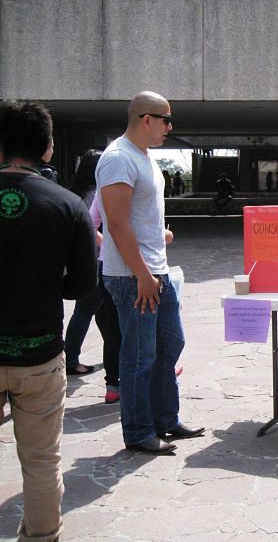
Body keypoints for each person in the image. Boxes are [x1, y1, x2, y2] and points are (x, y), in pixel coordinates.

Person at [0, 100, 97, 542]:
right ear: (48, 149)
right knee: (41, 460)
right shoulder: (68, 204)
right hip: (38, 352)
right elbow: (80, 285)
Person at [96, 91, 204, 455]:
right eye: (165, 120)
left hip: (156, 272)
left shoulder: (144, 159)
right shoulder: (117, 159)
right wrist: (141, 273)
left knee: (170, 344)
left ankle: (165, 420)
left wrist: (159, 238)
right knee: (140, 356)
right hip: (132, 277)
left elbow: (138, 220)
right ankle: (139, 431)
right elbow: (116, 223)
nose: (170, 128)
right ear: (146, 119)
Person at [63, 150, 123, 394]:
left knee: (102, 313)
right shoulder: (94, 193)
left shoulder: (80, 191)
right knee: (86, 311)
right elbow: (90, 226)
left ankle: (112, 357)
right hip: (97, 262)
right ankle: (71, 359)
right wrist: (108, 244)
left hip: (91, 260)